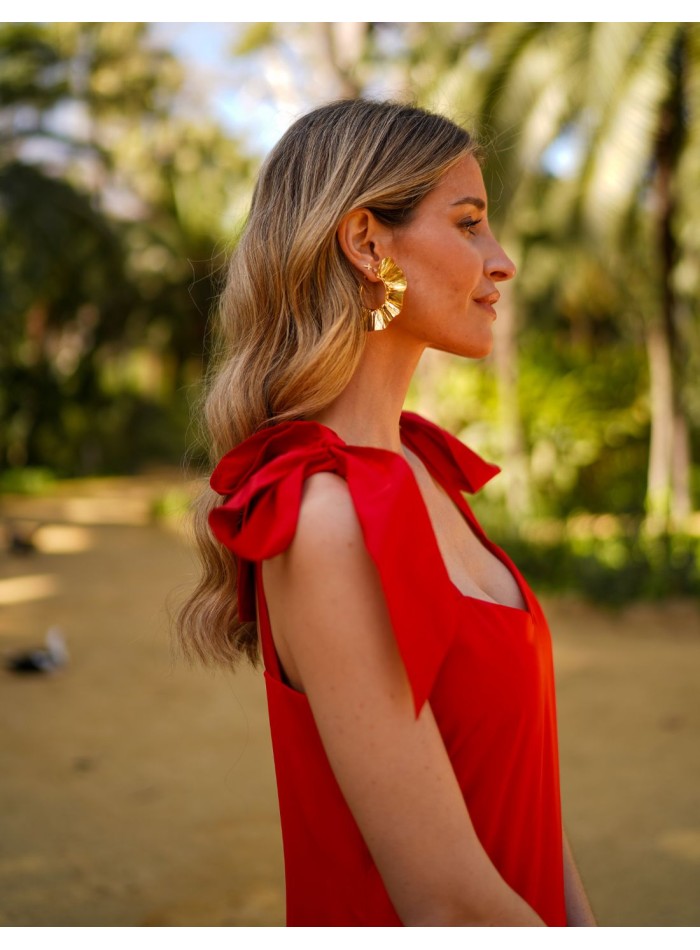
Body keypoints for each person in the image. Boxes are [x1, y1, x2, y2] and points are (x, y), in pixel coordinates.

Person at [177, 98, 596, 927]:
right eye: (470, 222)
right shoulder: (328, 514)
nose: (502, 260)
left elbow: (524, 814)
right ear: (368, 242)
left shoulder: (422, 467)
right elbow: (446, 904)